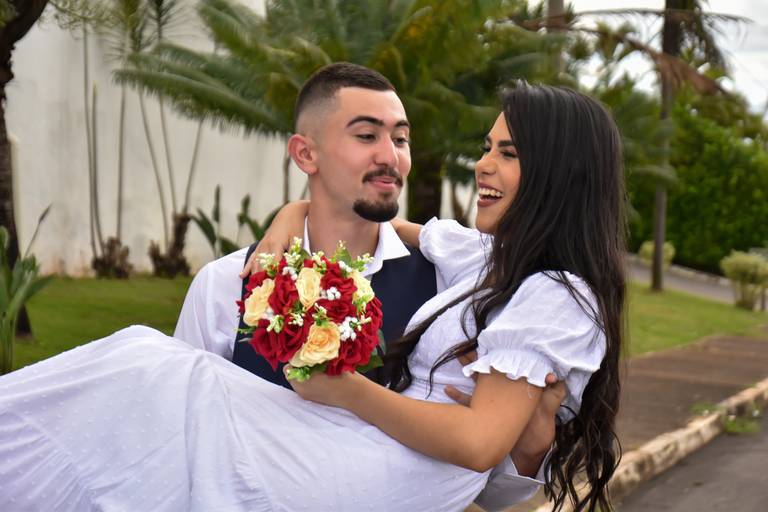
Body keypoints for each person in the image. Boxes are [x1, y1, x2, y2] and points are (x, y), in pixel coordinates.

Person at [0, 80, 624, 511]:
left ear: (558, 175)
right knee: (150, 380)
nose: (482, 165)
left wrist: (342, 388)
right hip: (358, 449)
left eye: (508, 154)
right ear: (307, 154)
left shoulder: (556, 294)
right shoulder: (486, 259)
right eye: (487, 148)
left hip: (392, 472)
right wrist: (290, 217)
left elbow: (482, 447)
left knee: (151, 369)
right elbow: (397, 223)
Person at [173, 62, 561, 507]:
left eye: (401, 139)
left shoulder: (450, 289)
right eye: (366, 135)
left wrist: (531, 449)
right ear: (306, 154)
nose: (390, 156)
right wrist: (294, 212)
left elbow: (484, 490)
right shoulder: (225, 285)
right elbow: (179, 444)